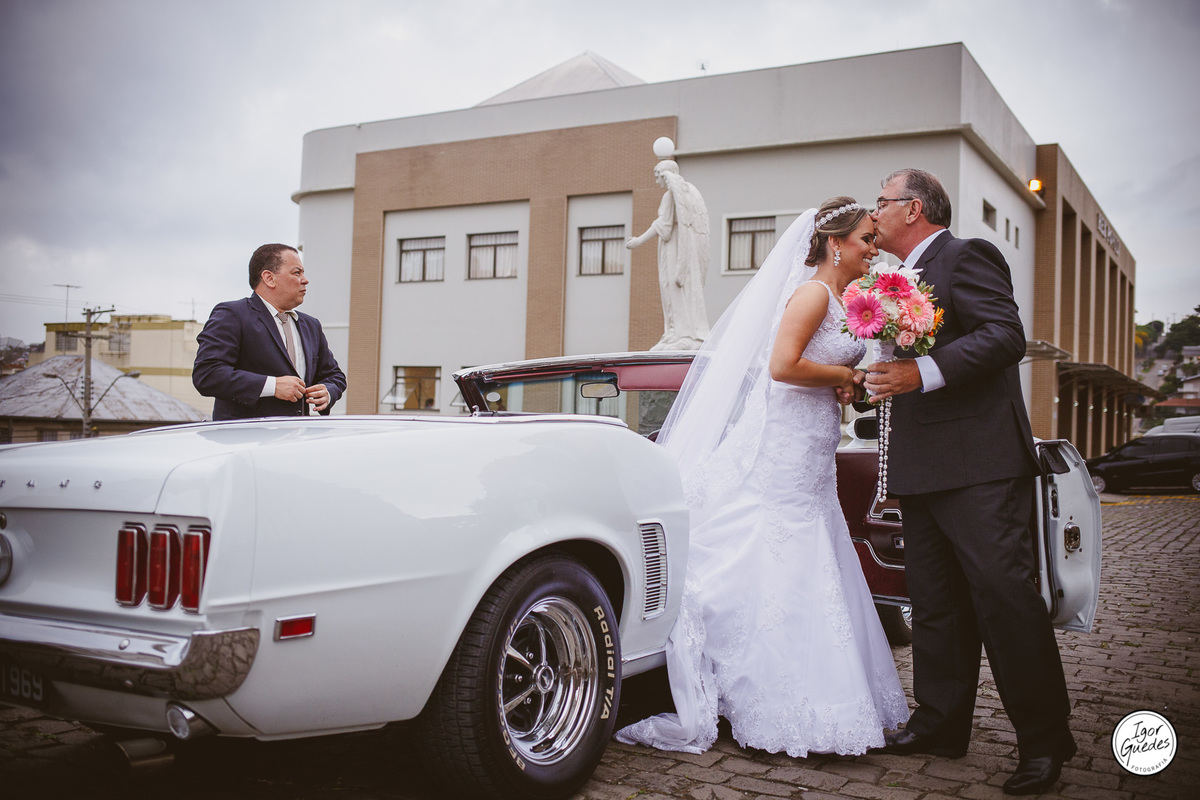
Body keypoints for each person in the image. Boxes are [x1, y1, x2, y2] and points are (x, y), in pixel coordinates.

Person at [615, 197, 909, 757]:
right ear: (834, 243)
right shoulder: (811, 294)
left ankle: (820, 689)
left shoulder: (845, 300)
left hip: (814, 443)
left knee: (812, 546)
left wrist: (841, 383)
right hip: (786, 443)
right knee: (781, 544)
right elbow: (782, 365)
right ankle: (777, 695)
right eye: (867, 239)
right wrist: (846, 373)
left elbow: (812, 367)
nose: (875, 250)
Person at [863, 169, 1075, 795]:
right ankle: (940, 723)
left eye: (883, 201)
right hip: (922, 467)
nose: (876, 211)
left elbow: (1004, 336)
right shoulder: (896, 282)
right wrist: (881, 382)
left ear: (915, 209)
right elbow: (910, 369)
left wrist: (920, 371)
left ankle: (1044, 740)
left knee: (1004, 601)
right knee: (935, 605)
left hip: (979, 465)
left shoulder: (966, 256)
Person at [194, 243, 346, 420]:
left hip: (299, 441)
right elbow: (207, 374)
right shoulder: (233, 315)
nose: (305, 280)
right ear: (269, 278)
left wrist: (328, 391)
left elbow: (335, 376)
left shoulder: (311, 325)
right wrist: (272, 386)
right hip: (246, 441)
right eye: (297, 273)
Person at [626, 160, 711, 350]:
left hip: (675, 251)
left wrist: (639, 240)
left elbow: (662, 225)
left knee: (675, 289)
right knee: (673, 290)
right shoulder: (683, 193)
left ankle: (685, 334)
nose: (656, 181)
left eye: (658, 176)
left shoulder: (671, 195)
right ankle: (675, 331)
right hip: (675, 247)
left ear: (666, 175)